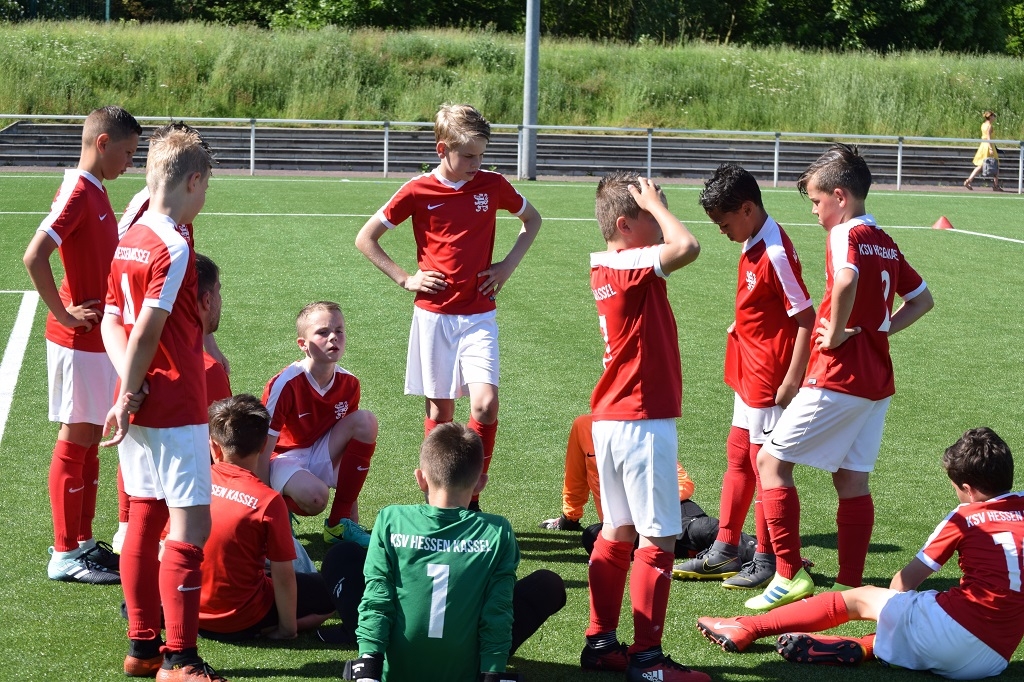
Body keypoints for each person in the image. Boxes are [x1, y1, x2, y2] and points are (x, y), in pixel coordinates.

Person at [746, 143, 934, 612]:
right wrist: (881, 328)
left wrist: (832, 334)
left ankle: (788, 574)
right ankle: (850, 582)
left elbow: (846, 280)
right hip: (876, 382)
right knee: (851, 480)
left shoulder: (843, 233)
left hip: (838, 376)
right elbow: (922, 299)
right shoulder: (883, 239)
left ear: (840, 196)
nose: (814, 211)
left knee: (770, 463)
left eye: (816, 201)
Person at [697, 427, 1024, 681]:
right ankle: (868, 647)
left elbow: (904, 583)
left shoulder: (964, 517)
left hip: (953, 635)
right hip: (995, 659)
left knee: (863, 597)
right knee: (927, 616)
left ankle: (748, 627)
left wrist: (891, 607)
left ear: (968, 489)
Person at [355, 103, 543, 511]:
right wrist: (406, 278)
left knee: (485, 405)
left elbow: (533, 220)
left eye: (482, 155)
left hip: (479, 315)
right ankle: (437, 499)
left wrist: (507, 266)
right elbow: (365, 238)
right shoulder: (417, 190)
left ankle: (471, 494)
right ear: (443, 149)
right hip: (434, 317)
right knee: (441, 414)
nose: (478, 164)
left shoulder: (493, 185)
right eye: (469, 155)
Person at [100, 122, 223, 681]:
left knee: (143, 516)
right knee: (189, 528)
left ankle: (142, 646)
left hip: (140, 398)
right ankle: (180, 658)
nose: (205, 198)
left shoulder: (131, 232)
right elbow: (148, 329)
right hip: (173, 401)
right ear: (193, 181)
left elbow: (111, 319)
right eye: (206, 187)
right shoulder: (172, 246)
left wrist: (128, 389)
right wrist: (131, 391)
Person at [581, 171, 708, 682]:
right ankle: (648, 661)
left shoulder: (609, 265)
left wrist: (651, 209)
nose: (659, 225)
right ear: (625, 224)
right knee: (658, 538)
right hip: (639, 417)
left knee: (618, 531)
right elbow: (687, 245)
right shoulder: (628, 263)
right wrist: (657, 206)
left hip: (612, 417)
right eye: (649, 218)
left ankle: (600, 643)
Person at [673, 164, 814, 590]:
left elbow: (806, 317)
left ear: (748, 209)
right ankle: (725, 549)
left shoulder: (774, 251)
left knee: (763, 466)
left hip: (769, 377)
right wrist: (744, 325)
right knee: (737, 456)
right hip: (747, 367)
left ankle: (767, 559)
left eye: (724, 223)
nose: (721, 231)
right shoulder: (752, 238)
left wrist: (792, 380)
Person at [343, 422, 565, 682]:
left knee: (342, 557)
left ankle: (367, 656)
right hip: (466, 672)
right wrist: (492, 672)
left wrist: (369, 666)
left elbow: (377, 597)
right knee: (546, 583)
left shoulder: (391, 520)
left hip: (396, 672)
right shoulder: (497, 531)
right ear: (480, 484)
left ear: (420, 478)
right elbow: (497, 611)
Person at [23, 105, 140, 584]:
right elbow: (35, 255)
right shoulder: (77, 188)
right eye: (127, 153)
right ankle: (65, 552)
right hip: (77, 339)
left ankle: (83, 543)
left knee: (90, 440)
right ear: (103, 143)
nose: (130, 163)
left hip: (94, 340)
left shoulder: (95, 188)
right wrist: (62, 312)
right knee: (76, 440)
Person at [112, 251, 230, 554]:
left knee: (141, 510)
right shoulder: (205, 371)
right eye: (218, 292)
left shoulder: (134, 369)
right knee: (193, 534)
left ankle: (125, 528)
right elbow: (223, 453)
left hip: (142, 522)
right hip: (181, 522)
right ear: (206, 300)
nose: (220, 300)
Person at [198, 394, 335, 642]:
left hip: (192, 611)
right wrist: (287, 630)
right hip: (244, 617)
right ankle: (273, 626)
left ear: (214, 447)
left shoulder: (194, 481)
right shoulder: (268, 500)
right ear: (264, 447)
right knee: (331, 589)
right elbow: (284, 577)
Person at [260, 301, 379, 548]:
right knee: (316, 498)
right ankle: (280, 512)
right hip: (282, 458)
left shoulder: (350, 383)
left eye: (339, 330)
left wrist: (351, 511)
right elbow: (262, 448)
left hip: (320, 451)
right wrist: (262, 508)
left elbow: (350, 450)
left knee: (366, 421)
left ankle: (339, 524)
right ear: (303, 344)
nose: (333, 337)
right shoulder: (285, 383)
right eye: (323, 332)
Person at [539, 413, 696, 531]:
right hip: (618, 526)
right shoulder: (584, 426)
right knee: (592, 536)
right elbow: (575, 478)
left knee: (702, 529)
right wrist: (570, 517)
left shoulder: (640, 428)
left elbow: (683, 483)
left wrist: (644, 505)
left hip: (659, 517)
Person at [964, 111, 1003, 191]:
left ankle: (968, 181)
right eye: (993, 116)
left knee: (980, 165)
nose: (994, 117)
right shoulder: (989, 126)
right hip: (989, 146)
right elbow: (988, 137)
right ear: (990, 117)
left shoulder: (983, 125)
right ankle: (996, 185)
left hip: (983, 145)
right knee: (996, 165)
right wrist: (991, 148)